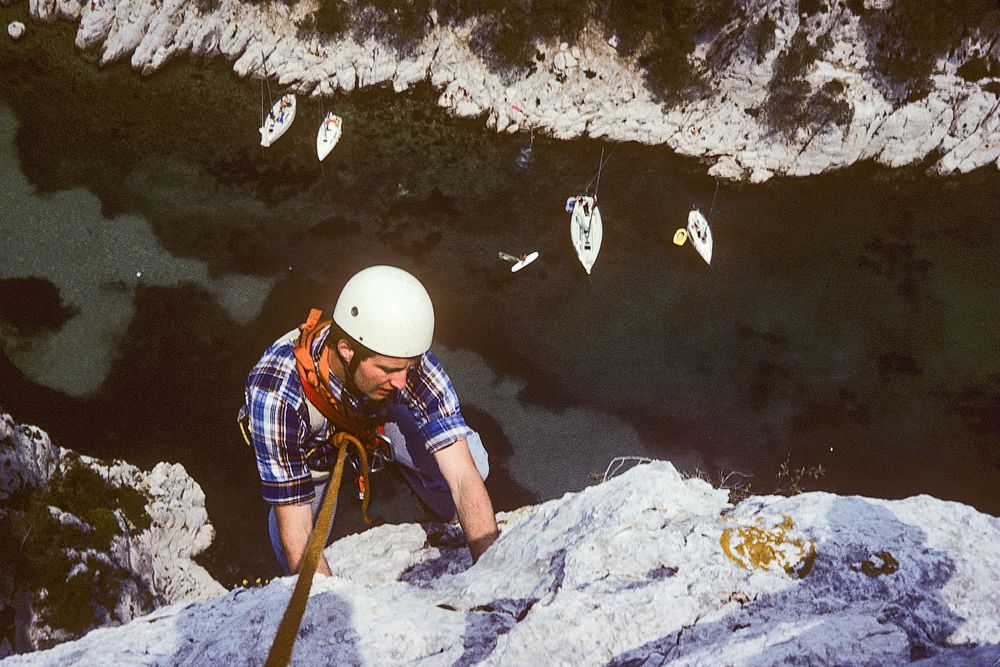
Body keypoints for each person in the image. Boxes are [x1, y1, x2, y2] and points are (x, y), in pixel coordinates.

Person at [242, 265, 499, 575]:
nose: (403, 381)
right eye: (389, 370)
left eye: (408, 367)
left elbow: (462, 474)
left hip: (372, 409)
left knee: (474, 464)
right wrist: (326, 610)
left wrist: (489, 575)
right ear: (347, 350)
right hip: (313, 438)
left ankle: (394, 457)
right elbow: (298, 537)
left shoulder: (398, 353)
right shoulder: (277, 397)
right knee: (300, 545)